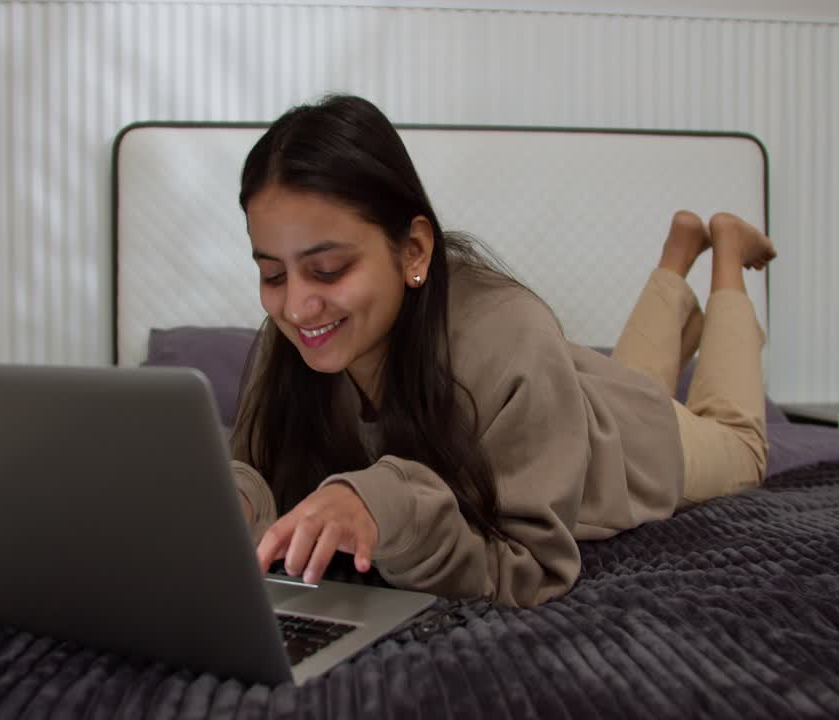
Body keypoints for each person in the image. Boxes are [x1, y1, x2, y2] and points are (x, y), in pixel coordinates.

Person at [229, 94, 775, 608]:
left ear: (414, 249)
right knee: (627, 380)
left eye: (328, 270)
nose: (297, 308)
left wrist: (388, 504)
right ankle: (675, 258)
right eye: (272, 273)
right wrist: (235, 502)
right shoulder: (288, 347)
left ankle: (726, 252)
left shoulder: (509, 332)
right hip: (564, 399)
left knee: (739, 444)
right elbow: (256, 471)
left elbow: (535, 566)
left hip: (631, 445)